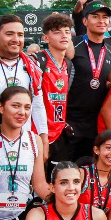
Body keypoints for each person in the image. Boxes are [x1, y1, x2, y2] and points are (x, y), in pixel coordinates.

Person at [59, 0, 111, 164]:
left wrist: (110, 85)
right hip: (70, 121)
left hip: (95, 124)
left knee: (90, 170)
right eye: (95, 16)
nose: (101, 21)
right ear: (85, 21)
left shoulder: (109, 51)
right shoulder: (73, 44)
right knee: (65, 169)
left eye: (105, 17)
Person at [0, 87, 47, 220]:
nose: (22, 112)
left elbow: (39, 185)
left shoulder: (34, 140)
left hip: (22, 214)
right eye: (15, 106)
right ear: (1, 107)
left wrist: (64, 201)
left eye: (27, 107)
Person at [33, 13, 75, 162]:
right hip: (37, 132)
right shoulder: (37, 61)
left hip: (59, 132)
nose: (63, 36)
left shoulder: (68, 65)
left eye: (67, 32)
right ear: (46, 38)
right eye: (57, 32)